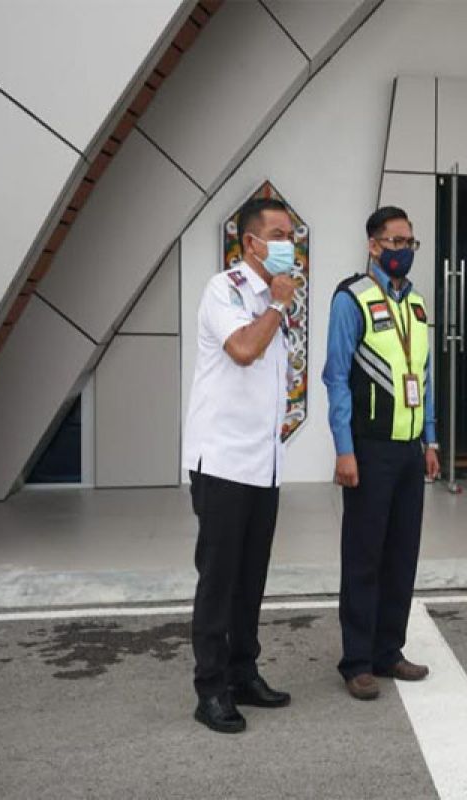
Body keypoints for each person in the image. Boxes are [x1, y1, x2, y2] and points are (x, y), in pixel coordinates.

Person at [182, 197, 296, 733]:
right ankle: (210, 689)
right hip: (223, 459)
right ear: (250, 242)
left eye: (291, 235)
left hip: (263, 462)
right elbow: (245, 350)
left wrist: (278, 306)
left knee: (251, 578)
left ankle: (243, 671)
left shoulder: (279, 300)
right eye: (278, 234)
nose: (287, 245)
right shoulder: (223, 290)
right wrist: (275, 306)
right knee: (219, 578)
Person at [322, 205, 441, 701]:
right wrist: (344, 450)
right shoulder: (352, 299)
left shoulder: (415, 305)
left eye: (410, 243)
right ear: (373, 246)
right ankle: (356, 660)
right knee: (364, 556)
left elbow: (425, 376)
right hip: (369, 450)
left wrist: (430, 440)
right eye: (395, 243)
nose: (404, 252)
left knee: (401, 555)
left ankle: (389, 651)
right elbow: (335, 379)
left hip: (409, 450)